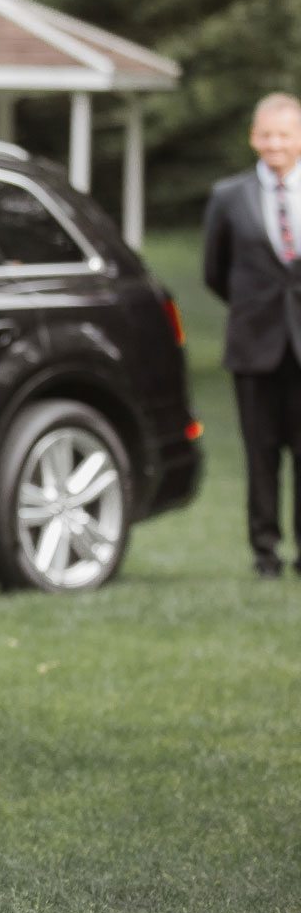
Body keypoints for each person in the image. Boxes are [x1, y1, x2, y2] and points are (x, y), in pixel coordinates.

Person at [202, 91, 301, 578]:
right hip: (253, 345)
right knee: (260, 456)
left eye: (284, 134)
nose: (275, 144)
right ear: (253, 138)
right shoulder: (229, 196)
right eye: (266, 134)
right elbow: (213, 271)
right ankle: (265, 552)